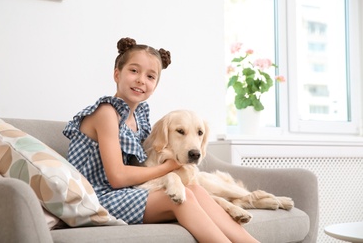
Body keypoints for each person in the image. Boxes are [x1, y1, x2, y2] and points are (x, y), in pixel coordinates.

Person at [63, 37, 259, 243]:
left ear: (155, 85)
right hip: (95, 199)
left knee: (195, 189)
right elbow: (117, 177)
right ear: (116, 74)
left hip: (122, 194)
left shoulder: (139, 116)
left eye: (150, 76)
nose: (141, 80)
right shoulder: (106, 113)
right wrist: (169, 167)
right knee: (181, 197)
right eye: (134, 71)